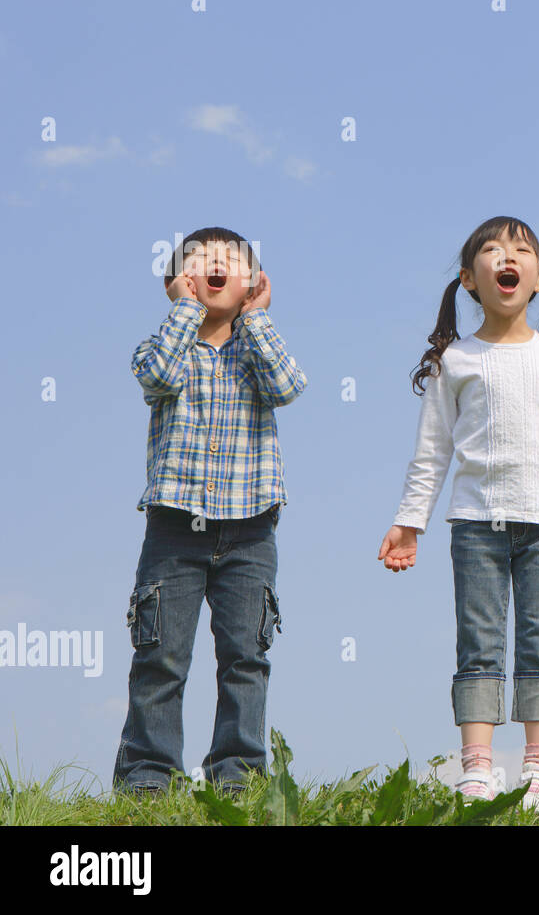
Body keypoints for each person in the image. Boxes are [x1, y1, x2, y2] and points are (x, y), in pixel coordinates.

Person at [379, 216, 539, 812]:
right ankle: (477, 771)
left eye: (521, 250)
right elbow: (432, 452)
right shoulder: (456, 361)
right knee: (479, 643)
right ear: (470, 281)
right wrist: (409, 521)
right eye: (492, 250)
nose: (507, 256)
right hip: (476, 525)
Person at [114, 226, 307, 797]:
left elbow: (288, 386)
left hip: (250, 530)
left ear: (251, 282)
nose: (217, 264)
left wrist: (257, 319)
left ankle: (239, 778)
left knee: (245, 657)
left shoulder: (256, 346)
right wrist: (183, 310)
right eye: (202, 260)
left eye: (232, 260)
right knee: (160, 658)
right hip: (175, 526)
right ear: (178, 281)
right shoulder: (162, 346)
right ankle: (147, 778)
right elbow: (157, 377)